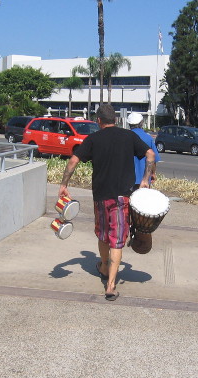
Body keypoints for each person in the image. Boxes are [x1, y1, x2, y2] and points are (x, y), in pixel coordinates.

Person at [59, 104, 156, 300]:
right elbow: (150, 155)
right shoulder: (128, 136)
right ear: (116, 120)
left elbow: (73, 161)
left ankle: (104, 268)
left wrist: (64, 185)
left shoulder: (93, 138)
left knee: (103, 235)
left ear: (98, 121)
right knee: (117, 240)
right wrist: (145, 179)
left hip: (101, 197)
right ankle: (110, 286)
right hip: (122, 197)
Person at [127, 112, 160, 191]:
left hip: (128, 179)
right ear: (141, 123)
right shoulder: (148, 138)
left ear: (129, 124)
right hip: (144, 179)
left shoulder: (125, 137)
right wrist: (153, 173)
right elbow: (153, 159)